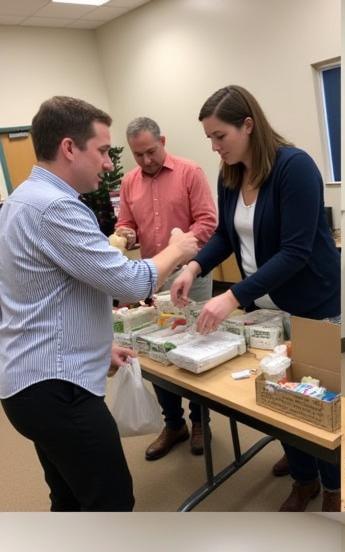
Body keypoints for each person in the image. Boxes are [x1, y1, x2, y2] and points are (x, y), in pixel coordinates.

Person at [0, 96, 199, 511]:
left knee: (71, 497)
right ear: (70, 148)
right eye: (104, 151)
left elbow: (42, 296)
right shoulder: (56, 208)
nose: (110, 163)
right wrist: (178, 249)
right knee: (110, 502)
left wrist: (97, 346)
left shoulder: (22, 199)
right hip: (57, 391)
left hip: (31, 382)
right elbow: (130, 282)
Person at [170, 85, 342, 512]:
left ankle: (334, 488)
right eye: (209, 138)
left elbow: (296, 250)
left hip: (312, 306)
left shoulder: (294, 167)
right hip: (266, 307)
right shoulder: (231, 174)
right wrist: (194, 267)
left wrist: (233, 298)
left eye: (220, 136)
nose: (214, 147)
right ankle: (304, 478)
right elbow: (226, 235)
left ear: (248, 125)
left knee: (320, 404)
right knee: (281, 398)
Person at [114, 115, 217, 462]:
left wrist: (183, 251)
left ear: (163, 140)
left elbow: (208, 221)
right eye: (138, 154)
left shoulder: (190, 172)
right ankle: (174, 424)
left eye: (151, 152)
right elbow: (126, 223)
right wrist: (126, 234)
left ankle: (200, 421)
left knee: (196, 345)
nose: (145, 161)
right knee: (157, 349)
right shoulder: (130, 182)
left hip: (192, 273)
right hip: (151, 277)